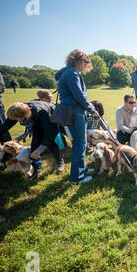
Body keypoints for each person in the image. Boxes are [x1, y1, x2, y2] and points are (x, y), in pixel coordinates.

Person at [0, 101, 65, 179]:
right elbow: (5, 126)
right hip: (36, 122)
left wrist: (40, 149)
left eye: (17, 119)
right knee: (34, 147)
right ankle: (37, 169)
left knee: (50, 143)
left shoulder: (42, 113)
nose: (16, 121)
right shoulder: (18, 111)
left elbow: (50, 133)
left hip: (51, 118)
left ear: (25, 116)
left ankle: (60, 162)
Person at [54, 49, 98, 184]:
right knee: (79, 144)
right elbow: (78, 95)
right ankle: (76, 177)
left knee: (81, 143)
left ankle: (82, 169)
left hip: (73, 111)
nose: (85, 66)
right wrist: (91, 109)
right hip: (75, 112)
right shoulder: (72, 73)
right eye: (85, 63)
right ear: (79, 61)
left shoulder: (68, 73)